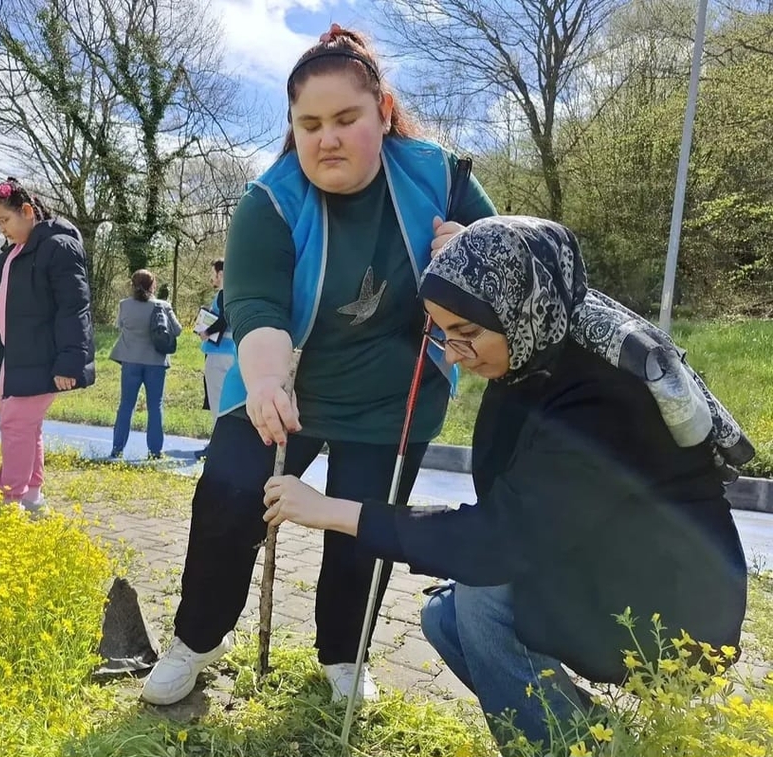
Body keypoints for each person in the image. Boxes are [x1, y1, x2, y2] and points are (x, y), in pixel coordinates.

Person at [261, 216, 750, 751]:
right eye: (441, 332)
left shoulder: (601, 397)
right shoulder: (536, 353)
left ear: (520, 307)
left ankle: (558, 748)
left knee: (481, 598)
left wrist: (333, 511)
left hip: (673, 604)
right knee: (443, 617)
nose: (452, 354)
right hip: (606, 563)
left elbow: (498, 539)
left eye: (467, 333)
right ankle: (600, 741)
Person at [140, 23, 496, 707]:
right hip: (285, 384)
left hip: (394, 399)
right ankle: (197, 639)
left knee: (363, 528)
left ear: (383, 113)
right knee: (227, 499)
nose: (326, 138)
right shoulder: (268, 203)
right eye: (309, 124)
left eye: (345, 118)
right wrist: (265, 381)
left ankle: (344, 655)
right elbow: (256, 307)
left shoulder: (441, 177)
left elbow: (508, 261)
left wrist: (467, 253)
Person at [0, 177, 95, 512]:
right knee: (25, 426)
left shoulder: (57, 247)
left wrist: (70, 361)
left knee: (15, 425)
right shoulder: (17, 253)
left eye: (5, 220)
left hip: (41, 357)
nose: (2, 229)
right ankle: (32, 497)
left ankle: (10, 500)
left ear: (27, 211)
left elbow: (74, 308)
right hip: (16, 358)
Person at [108, 269, 182, 459]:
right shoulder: (163, 306)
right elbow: (177, 330)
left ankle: (117, 449)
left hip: (131, 361)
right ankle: (155, 451)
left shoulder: (124, 305)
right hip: (156, 362)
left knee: (126, 405)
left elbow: (120, 326)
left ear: (132, 285)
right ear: (153, 285)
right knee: (155, 407)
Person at [193, 259, 236, 461]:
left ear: (221, 274)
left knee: (218, 404)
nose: (212, 278)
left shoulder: (223, 294)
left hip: (218, 356)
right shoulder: (241, 293)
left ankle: (217, 449)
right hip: (234, 355)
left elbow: (223, 319)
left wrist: (206, 331)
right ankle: (228, 446)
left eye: (214, 274)